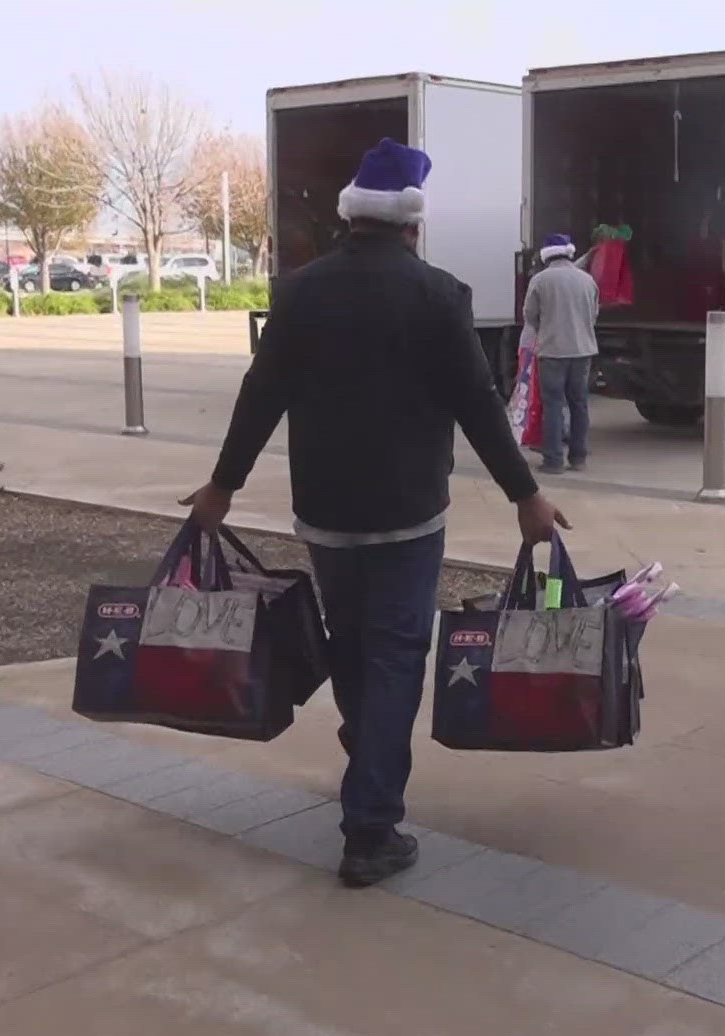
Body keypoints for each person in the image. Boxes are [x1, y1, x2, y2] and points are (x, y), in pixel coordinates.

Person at [183, 138, 568, 888]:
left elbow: (261, 393)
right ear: (412, 226)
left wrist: (221, 486)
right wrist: (527, 495)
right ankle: (371, 826)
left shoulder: (299, 294)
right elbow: (478, 405)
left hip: (325, 511)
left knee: (354, 642)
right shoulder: (439, 296)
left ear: (350, 219)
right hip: (408, 512)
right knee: (395, 652)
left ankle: (370, 751)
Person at [522, 232, 600, 474]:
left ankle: (554, 461)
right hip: (583, 350)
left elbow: (529, 315)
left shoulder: (540, 280)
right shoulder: (587, 280)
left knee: (553, 404)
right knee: (579, 404)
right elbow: (594, 314)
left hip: (553, 351)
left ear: (546, 256)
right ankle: (578, 458)